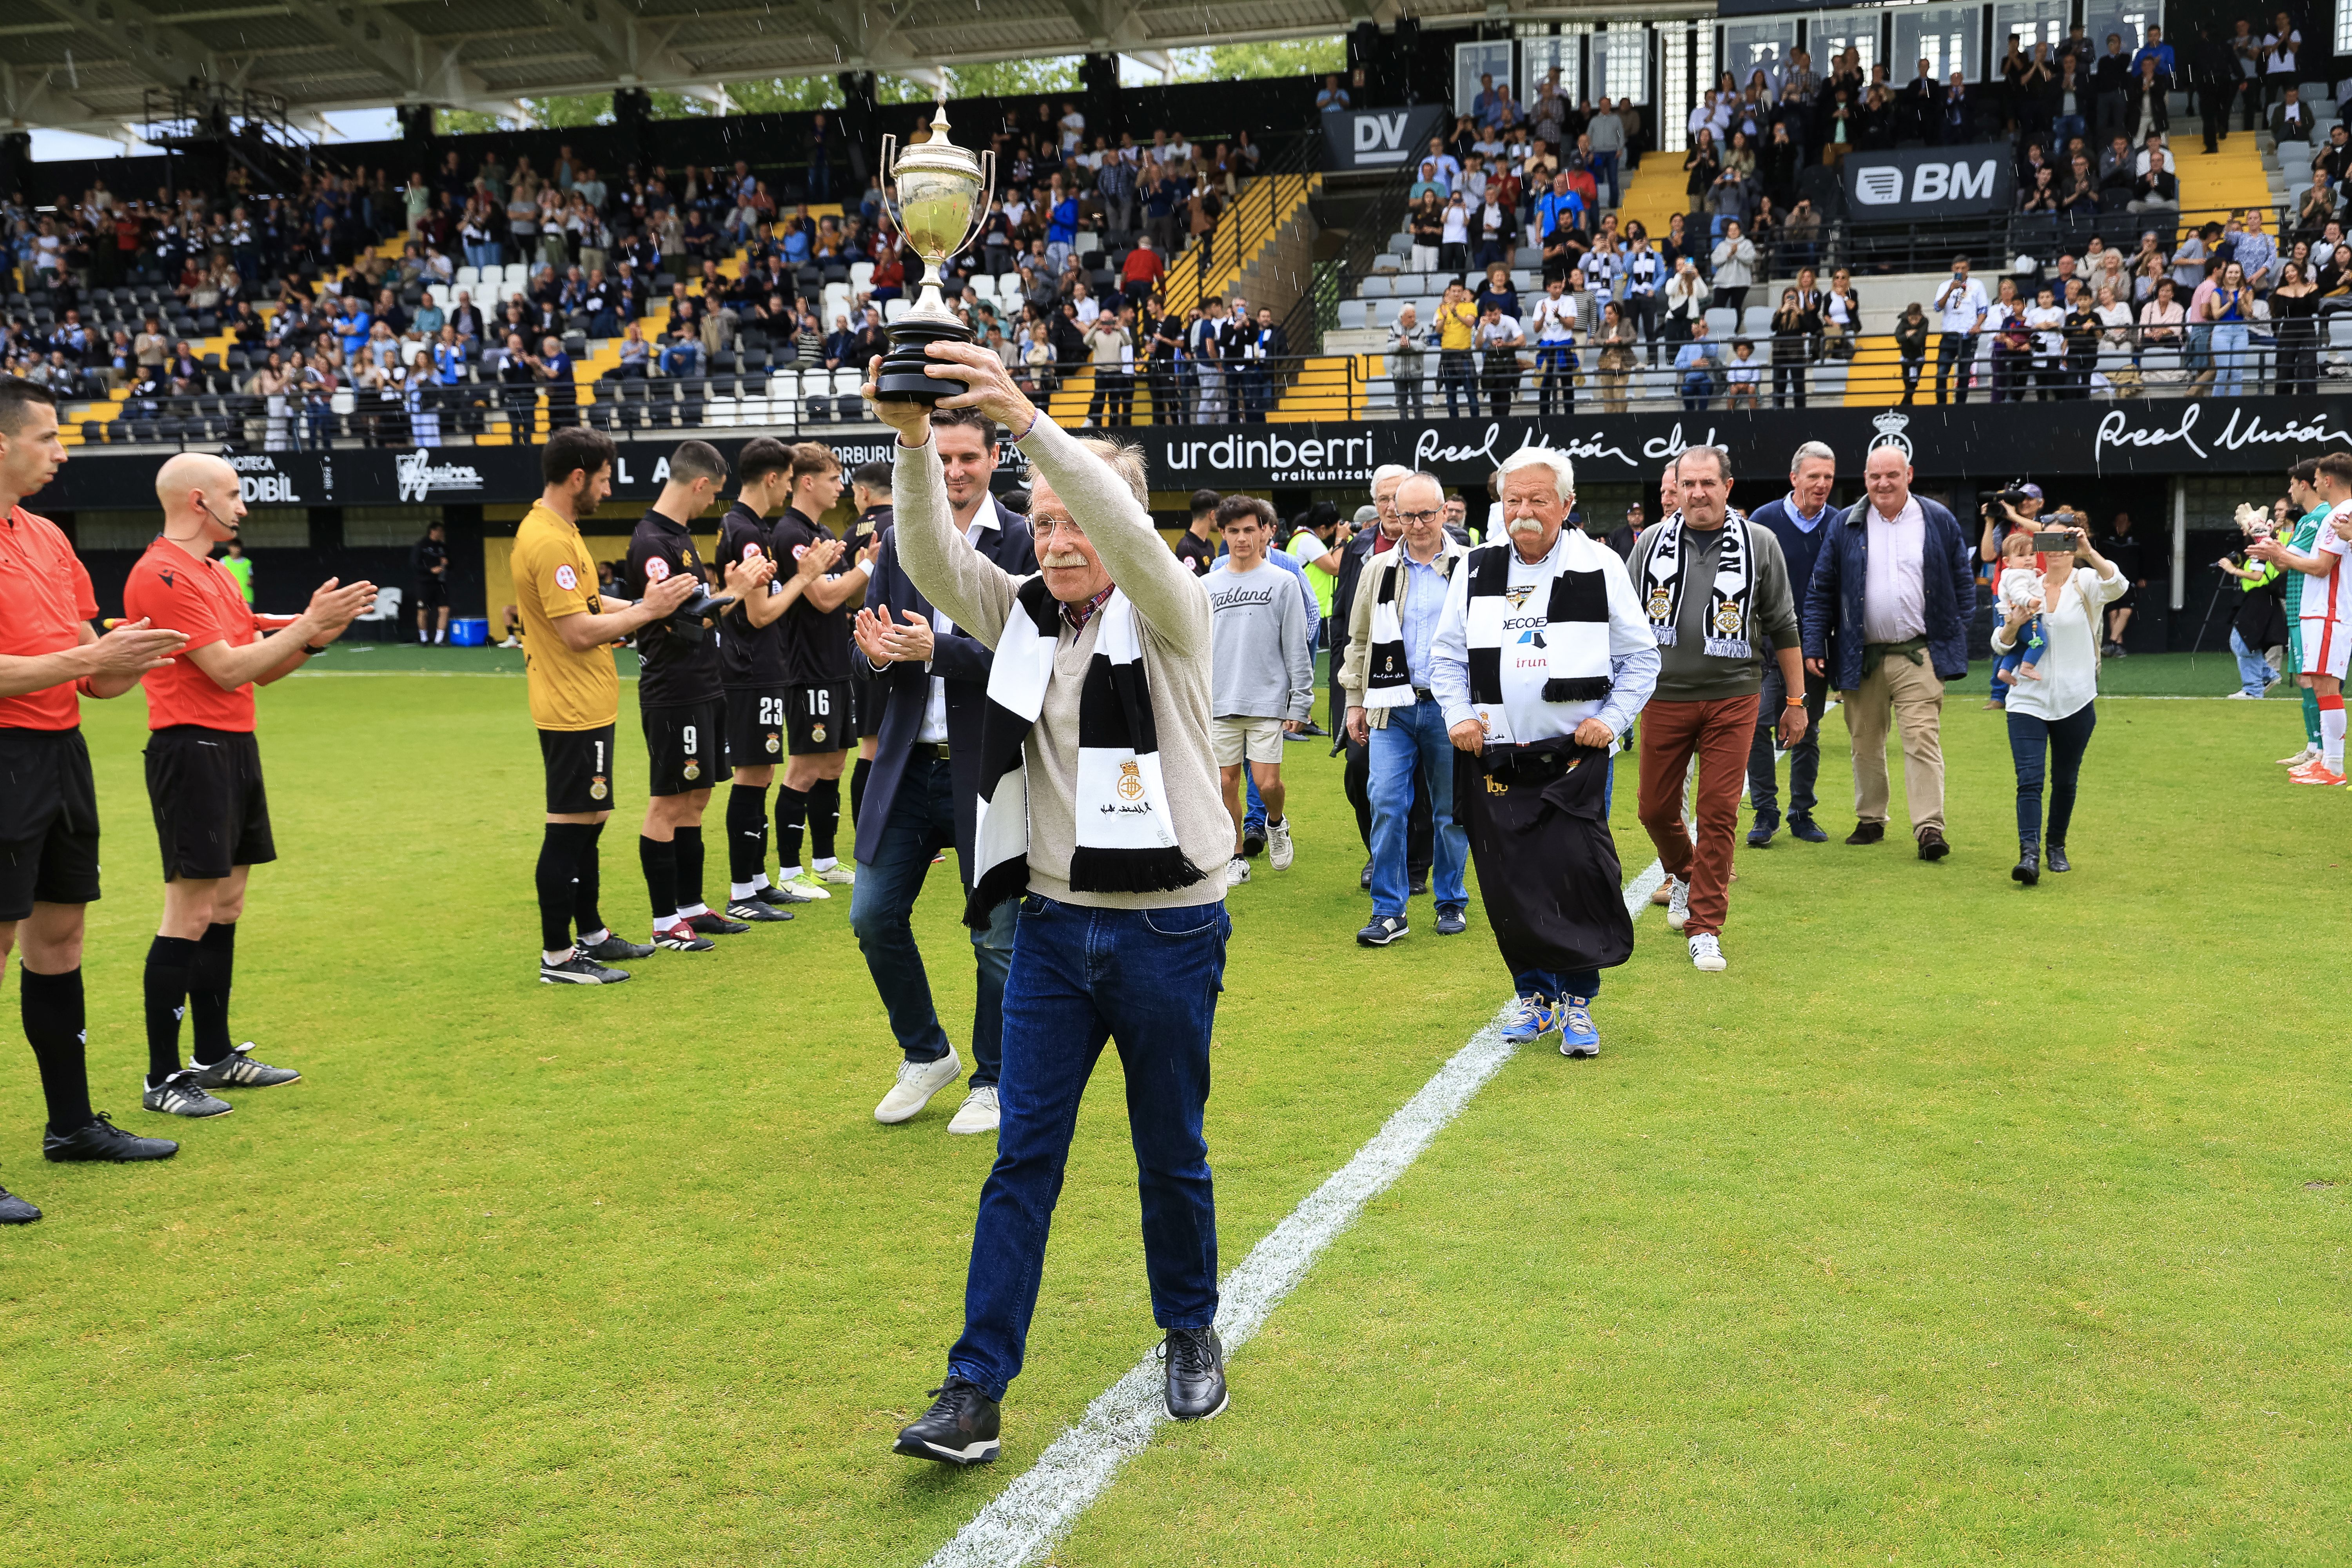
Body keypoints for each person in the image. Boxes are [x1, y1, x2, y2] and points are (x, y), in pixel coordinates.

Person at [872, 339, 1234, 1465]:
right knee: (1023, 1155)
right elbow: (931, 557)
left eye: (1078, 522)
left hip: (1168, 927)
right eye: (1048, 523)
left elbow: (1125, 532)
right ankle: (974, 1389)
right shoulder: (1023, 612)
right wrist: (914, 446)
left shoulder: (1173, 607)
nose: (1061, 540)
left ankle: (1189, 1329)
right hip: (1051, 925)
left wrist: (1032, 423)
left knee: (1168, 1145)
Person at [119, 453, 372, 1120]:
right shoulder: (161, 573)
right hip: (190, 749)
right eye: (235, 494)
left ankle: (214, 1056)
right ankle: (162, 1077)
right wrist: (308, 625)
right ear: (198, 501)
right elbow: (228, 669)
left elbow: (262, 671)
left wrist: (313, 638)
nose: (245, 505)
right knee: (190, 911)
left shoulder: (215, 573)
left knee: (225, 905)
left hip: (232, 745)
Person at [0, 381, 189, 1221]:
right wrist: (92, 660)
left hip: (61, 752)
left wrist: (136, 655)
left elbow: (95, 669)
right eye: (47, 437)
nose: (62, 451)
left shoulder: (44, 536)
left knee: (62, 933)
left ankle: (72, 1126)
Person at [1430, 447, 1659, 1054]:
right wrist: (1457, 714)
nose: (1524, 512)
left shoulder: (1601, 564)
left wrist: (1610, 720)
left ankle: (1579, 1005)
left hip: (1574, 757)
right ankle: (1533, 998)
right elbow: (1447, 657)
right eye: (1513, 500)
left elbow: (1642, 658)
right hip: (1495, 756)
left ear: (1567, 503)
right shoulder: (1475, 568)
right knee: (1509, 884)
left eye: (1537, 499)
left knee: (1578, 876)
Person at [849, 406, 1036, 1137]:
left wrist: (938, 652)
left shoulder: (1024, 540)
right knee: (871, 916)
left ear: (994, 459)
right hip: (904, 766)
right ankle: (926, 1053)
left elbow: (1033, 656)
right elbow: (871, 648)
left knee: (994, 934)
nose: (955, 471)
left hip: (989, 766)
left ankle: (994, 1080)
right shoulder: (902, 538)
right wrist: (874, 652)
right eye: (944, 460)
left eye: (967, 458)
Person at [515, 426, 699, 984]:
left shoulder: (560, 531)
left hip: (586, 704)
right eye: (601, 479)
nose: (607, 489)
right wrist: (648, 613)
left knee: (590, 818)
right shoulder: (547, 541)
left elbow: (591, 603)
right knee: (570, 824)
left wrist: (654, 605)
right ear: (578, 478)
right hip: (568, 705)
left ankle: (590, 932)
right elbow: (576, 631)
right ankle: (557, 957)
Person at [1630, 447, 1805, 973]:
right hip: (1663, 694)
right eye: (1689, 484)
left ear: (1728, 487)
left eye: (1709, 483)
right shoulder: (1648, 544)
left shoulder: (1761, 544)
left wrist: (1796, 702)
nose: (1698, 493)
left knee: (1719, 811)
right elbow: (1624, 621)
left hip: (1735, 694)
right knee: (1654, 809)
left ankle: (1706, 926)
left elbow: (1785, 626)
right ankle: (1685, 873)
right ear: (1675, 489)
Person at [623, 441, 764, 954]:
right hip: (673, 693)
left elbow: (697, 611)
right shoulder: (650, 541)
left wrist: (727, 592)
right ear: (700, 484)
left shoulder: (679, 536)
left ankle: (690, 906)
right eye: (713, 494)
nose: (713, 504)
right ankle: (664, 922)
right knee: (667, 802)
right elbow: (679, 622)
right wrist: (738, 589)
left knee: (697, 798)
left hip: (704, 685)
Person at [1803, 443, 1976, 862]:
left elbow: (1964, 585)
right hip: (1861, 656)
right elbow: (1820, 589)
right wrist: (1813, 642)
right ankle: (1871, 819)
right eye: (1875, 476)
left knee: (1921, 739)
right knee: (1865, 742)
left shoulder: (1937, 519)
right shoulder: (1847, 524)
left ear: (1909, 475)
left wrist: (1952, 635)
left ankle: (1929, 827)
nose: (1883, 483)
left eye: (1892, 475)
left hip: (1920, 654)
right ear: (1865, 479)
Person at [1341, 471, 1471, 948]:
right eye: (1405, 515)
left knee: (1449, 812)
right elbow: (1358, 642)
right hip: (1390, 707)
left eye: (1425, 514)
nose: (1416, 525)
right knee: (1388, 806)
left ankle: (1451, 899)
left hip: (1449, 708)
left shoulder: (1469, 567)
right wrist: (1355, 702)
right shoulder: (1378, 569)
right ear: (1391, 514)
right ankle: (1389, 912)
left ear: (1444, 512)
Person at [715, 439, 840, 912]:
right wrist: (806, 576)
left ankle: (757, 881)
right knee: (753, 777)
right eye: (787, 479)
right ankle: (743, 890)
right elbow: (762, 612)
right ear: (773, 478)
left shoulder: (747, 526)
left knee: (761, 775)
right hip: (751, 668)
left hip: (761, 668)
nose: (789, 487)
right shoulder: (748, 533)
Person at [769, 444, 878, 901]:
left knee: (834, 761)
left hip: (834, 662)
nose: (842, 488)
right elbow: (825, 598)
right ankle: (790, 870)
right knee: (803, 767)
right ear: (808, 482)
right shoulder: (791, 532)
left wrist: (855, 574)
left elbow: (842, 595)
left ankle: (825, 860)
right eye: (835, 479)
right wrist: (868, 565)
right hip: (805, 666)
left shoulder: (821, 530)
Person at [1991, 522, 2127, 884]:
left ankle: (2056, 847)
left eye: (2064, 541)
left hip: (2076, 698)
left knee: (2065, 780)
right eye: (2048, 540)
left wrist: (2088, 550)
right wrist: (2010, 627)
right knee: (2030, 780)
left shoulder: (2086, 583)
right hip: (2026, 699)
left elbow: (2119, 585)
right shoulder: (2024, 581)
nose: (2055, 549)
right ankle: (2029, 855)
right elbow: (2000, 643)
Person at [1204, 496, 1312, 889]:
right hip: (1220, 700)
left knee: (1268, 785)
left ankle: (1277, 824)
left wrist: (1301, 700)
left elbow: (1297, 647)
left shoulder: (1283, 583)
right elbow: (1198, 648)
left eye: (1249, 529)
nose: (1242, 538)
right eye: (1233, 531)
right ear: (1223, 533)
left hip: (1267, 699)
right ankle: (1235, 856)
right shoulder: (1206, 586)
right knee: (1225, 784)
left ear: (1265, 531)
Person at [1746, 441, 1838, 846]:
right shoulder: (1763, 521)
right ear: (1794, 477)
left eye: (1828, 478)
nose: (1821, 484)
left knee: (1808, 730)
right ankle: (1765, 813)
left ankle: (1802, 812)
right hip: (1765, 648)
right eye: (1814, 476)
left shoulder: (1839, 523)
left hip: (1814, 648)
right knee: (1757, 726)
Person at [2250, 453, 2352, 784]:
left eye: (2319, 477)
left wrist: (2280, 555)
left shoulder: (2342, 512)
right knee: (2322, 686)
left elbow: (2322, 567)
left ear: (2328, 481)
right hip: (2320, 610)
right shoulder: (2336, 514)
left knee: (2325, 685)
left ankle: (2333, 766)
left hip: (2330, 611)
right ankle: (2327, 761)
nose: (2316, 482)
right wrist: (2277, 552)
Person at [1933, 256, 1989, 404]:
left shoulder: (1977, 285)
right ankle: (1941, 406)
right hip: (1949, 335)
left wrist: (1978, 325)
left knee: (1964, 375)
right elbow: (1938, 307)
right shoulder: (1945, 285)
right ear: (1952, 269)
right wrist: (1950, 290)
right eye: (1957, 268)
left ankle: (1960, 406)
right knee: (1941, 374)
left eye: (1963, 268)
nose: (1960, 271)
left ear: (1968, 269)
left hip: (1968, 336)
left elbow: (1983, 309)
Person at [2100, 511, 2147, 656]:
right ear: (2114, 524)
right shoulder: (2107, 540)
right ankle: (2118, 646)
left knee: (2126, 611)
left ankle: (2111, 643)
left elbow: (2143, 560)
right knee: (2113, 613)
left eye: (2125, 522)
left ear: (2129, 524)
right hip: (2110, 581)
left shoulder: (2136, 541)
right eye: (2119, 522)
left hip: (2129, 583)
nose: (2122, 525)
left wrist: (2143, 577)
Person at [412, 520, 452, 644]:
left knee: (445, 610)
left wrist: (447, 563)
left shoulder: (443, 547)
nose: (442, 533)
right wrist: (430, 570)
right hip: (424, 584)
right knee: (423, 611)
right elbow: (414, 565)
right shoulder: (421, 545)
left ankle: (439, 640)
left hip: (440, 584)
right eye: (440, 531)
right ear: (433, 531)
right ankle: (424, 639)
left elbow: (451, 564)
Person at [1174, 488, 1219, 577]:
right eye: (1220, 514)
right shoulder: (1186, 548)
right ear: (1212, 515)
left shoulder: (1209, 544)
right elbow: (1196, 585)